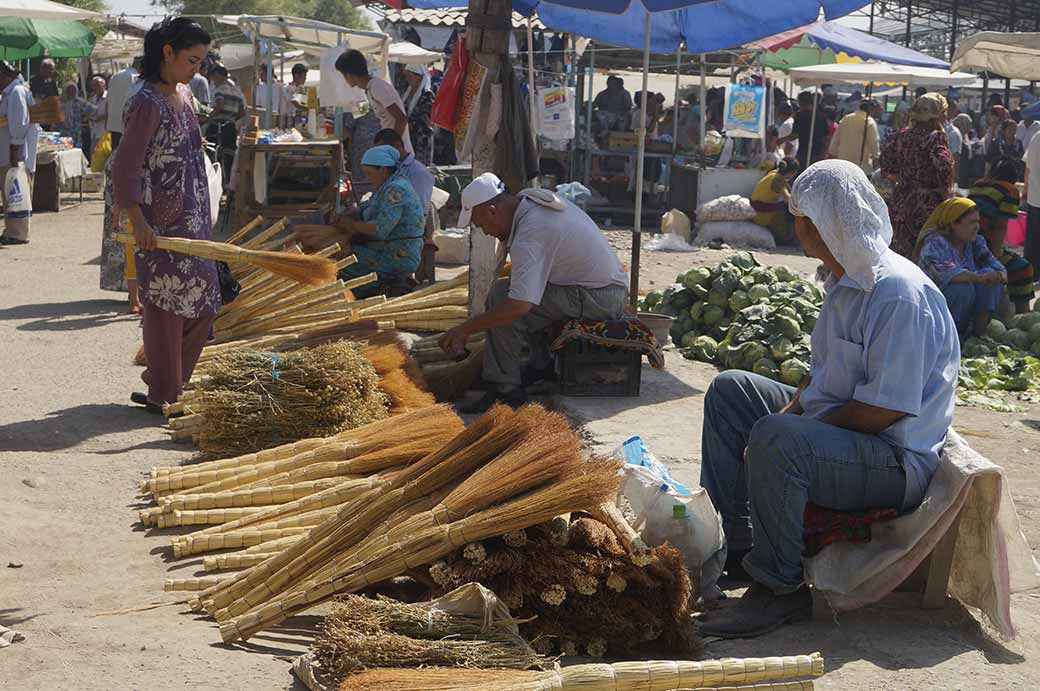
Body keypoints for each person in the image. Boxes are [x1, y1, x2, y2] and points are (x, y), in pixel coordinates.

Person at [698, 160, 959, 639]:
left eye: (802, 218)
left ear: (828, 223)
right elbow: (824, 380)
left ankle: (779, 590)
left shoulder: (898, 293)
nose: (795, 227)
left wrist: (795, 431)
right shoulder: (843, 282)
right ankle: (735, 549)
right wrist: (795, 410)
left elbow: (884, 410)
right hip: (851, 436)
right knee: (732, 389)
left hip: (893, 460)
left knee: (778, 439)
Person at [438, 172, 629, 414]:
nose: (485, 231)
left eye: (480, 224)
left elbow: (518, 307)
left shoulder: (531, 233)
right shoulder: (528, 201)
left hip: (600, 298)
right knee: (512, 290)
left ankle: (504, 389)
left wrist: (464, 329)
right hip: (602, 289)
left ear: (492, 211)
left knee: (503, 298)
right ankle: (539, 365)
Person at [113, 18, 220, 413]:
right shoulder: (145, 102)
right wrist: (137, 220)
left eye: (201, 61)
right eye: (191, 60)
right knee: (164, 307)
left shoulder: (185, 93)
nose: (196, 69)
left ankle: (168, 381)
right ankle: (165, 393)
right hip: (158, 222)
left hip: (194, 218)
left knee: (204, 301)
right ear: (168, 52)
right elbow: (127, 166)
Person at [335, 144, 425, 296]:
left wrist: (353, 225)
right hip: (387, 246)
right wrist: (351, 214)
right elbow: (367, 207)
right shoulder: (387, 185)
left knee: (342, 265)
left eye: (370, 173)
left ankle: (389, 286)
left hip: (398, 252)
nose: (368, 178)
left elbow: (381, 229)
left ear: (383, 170)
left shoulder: (396, 189)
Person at [913, 198, 1006, 339]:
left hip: (966, 308)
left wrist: (998, 275)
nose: (977, 227)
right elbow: (945, 273)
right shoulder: (935, 242)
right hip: (935, 308)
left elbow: (997, 267)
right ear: (954, 223)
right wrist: (978, 277)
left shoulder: (975, 242)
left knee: (989, 276)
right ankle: (949, 337)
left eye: (978, 222)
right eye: (972, 223)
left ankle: (978, 334)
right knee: (963, 287)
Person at [880, 93, 954, 257]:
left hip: (900, 201)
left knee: (899, 252)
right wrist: (943, 190)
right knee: (923, 253)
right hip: (925, 205)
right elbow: (944, 165)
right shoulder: (935, 137)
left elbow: (885, 164)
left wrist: (902, 179)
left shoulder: (901, 135)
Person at [101, 57, 144, 308]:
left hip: (117, 146)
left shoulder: (117, 78)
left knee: (116, 224)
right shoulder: (138, 84)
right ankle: (133, 291)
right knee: (130, 230)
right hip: (129, 152)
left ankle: (125, 286)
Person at [968, 164, 1035, 314]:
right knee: (1023, 269)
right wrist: (996, 255)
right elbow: (1000, 226)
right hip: (982, 248)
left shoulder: (978, 184)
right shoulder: (1009, 190)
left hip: (966, 243)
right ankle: (1022, 317)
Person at [374, 127, 435, 282]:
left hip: (408, 229)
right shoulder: (391, 170)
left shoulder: (418, 173)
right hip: (392, 220)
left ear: (397, 147)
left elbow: (417, 210)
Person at [335, 49, 413, 154]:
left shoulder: (377, 87)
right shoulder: (370, 89)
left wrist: (391, 147)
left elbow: (401, 119)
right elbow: (363, 110)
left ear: (349, 75)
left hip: (398, 152)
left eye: (343, 76)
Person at [0, 61, 39, 246]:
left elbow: (19, 122)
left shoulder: (16, 93)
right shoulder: (11, 92)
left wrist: (15, 150)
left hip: (13, 153)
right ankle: (12, 230)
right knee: (11, 193)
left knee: (16, 193)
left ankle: (18, 233)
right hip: (8, 152)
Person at [750, 157, 800, 245]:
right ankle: (788, 238)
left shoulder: (773, 173)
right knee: (792, 210)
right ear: (792, 172)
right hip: (761, 215)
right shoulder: (778, 180)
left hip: (757, 210)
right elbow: (788, 200)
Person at [827, 99, 880, 172]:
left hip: (843, 165)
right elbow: (874, 144)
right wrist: (876, 158)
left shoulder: (846, 119)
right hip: (861, 168)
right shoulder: (870, 122)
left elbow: (834, 144)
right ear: (872, 109)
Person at [780, 91, 827, 171]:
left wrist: (781, 140)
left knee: (801, 174)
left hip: (804, 152)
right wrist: (823, 153)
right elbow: (826, 136)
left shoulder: (800, 115)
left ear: (801, 102)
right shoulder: (820, 115)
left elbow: (795, 135)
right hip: (818, 153)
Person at [400, 63, 434, 165]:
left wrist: (411, 123)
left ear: (419, 77)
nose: (408, 79)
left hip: (421, 138)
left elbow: (427, 116)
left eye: (410, 76)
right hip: (409, 137)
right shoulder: (407, 93)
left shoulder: (427, 95)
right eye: (406, 76)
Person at [1024, 124, 1040, 273]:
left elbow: (1027, 167)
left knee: (1032, 240)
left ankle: (1029, 273)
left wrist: (1026, 191)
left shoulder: (1036, 137)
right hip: (1035, 196)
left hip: (1035, 197)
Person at [59, 82, 88, 150]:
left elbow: (94, 111)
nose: (72, 92)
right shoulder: (59, 102)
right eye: (69, 90)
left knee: (76, 151)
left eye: (74, 90)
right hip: (63, 132)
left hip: (76, 132)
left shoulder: (79, 102)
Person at [87, 75, 108, 154]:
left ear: (104, 85)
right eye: (93, 86)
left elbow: (111, 113)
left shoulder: (109, 97)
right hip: (94, 132)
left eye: (97, 85)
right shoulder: (93, 98)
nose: (94, 88)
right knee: (93, 154)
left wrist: (100, 117)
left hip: (105, 131)